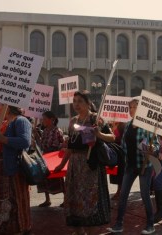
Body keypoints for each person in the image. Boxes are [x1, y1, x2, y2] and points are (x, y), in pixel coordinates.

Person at [55, 91, 114, 235]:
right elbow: (70, 147)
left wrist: (98, 134)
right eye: (74, 101)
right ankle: (79, 231)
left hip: (90, 166)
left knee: (90, 201)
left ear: (88, 103)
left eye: (80, 101)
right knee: (74, 199)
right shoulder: (73, 121)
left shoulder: (96, 119)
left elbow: (112, 137)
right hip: (75, 167)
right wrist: (62, 165)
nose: (76, 104)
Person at [107, 97, 159, 235]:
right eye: (129, 108)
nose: (131, 110)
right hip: (130, 166)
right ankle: (119, 224)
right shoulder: (128, 125)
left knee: (144, 195)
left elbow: (157, 145)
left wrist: (152, 148)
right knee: (123, 195)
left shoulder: (147, 125)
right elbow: (123, 145)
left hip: (144, 166)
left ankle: (150, 225)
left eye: (134, 107)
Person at [0, 105, 32, 234]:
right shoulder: (3, 123)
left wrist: (2, 138)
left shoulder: (21, 120)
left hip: (12, 172)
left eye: (0, 104)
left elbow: (25, 141)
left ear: (9, 106)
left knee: (14, 206)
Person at [37, 111, 65, 207]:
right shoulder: (44, 131)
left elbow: (61, 145)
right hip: (45, 157)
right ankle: (47, 199)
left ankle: (66, 199)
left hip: (54, 159)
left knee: (58, 178)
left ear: (52, 119)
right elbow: (41, 144)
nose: (43, 121)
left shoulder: (57, 131)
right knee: (45, 178)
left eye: (45, 119)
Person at [109, 121, 126, 200]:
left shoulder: (124, 125)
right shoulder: (113, 123)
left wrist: (114, 129)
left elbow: (119, 137)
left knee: (121, 172)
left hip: (122, 151)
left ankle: (120, 192)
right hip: (115, 150)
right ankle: (119, 191)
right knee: (116, 173)